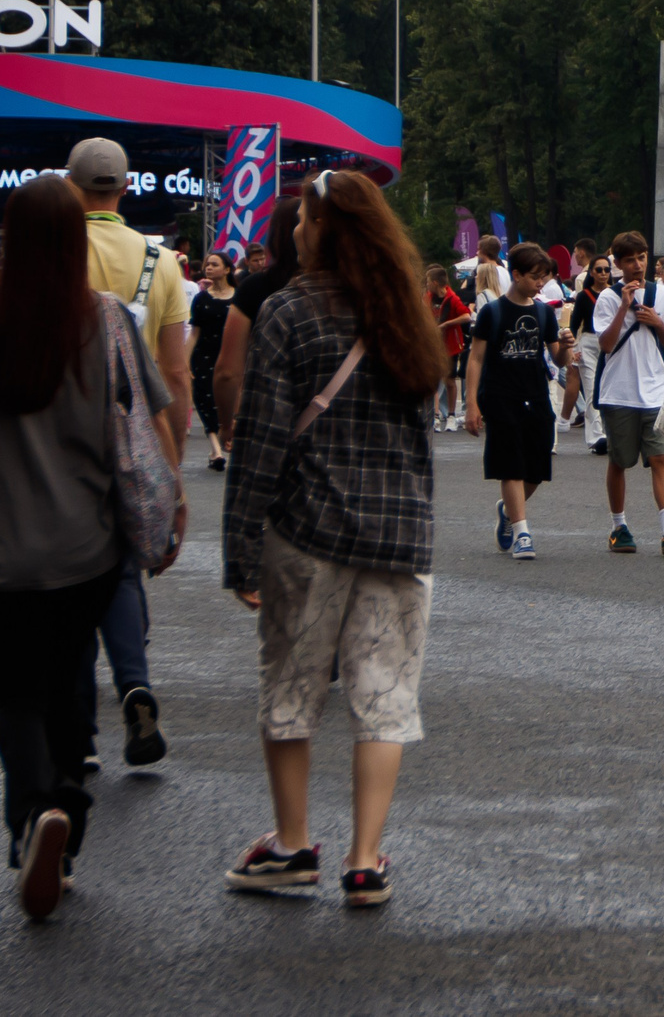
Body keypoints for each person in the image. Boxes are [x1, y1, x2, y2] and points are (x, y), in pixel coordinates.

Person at [0, 174, 177, 920]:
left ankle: (35, 814)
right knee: (66, 684)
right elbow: (147, 416)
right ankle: (65, 812)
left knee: (15, 692)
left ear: (9, 239)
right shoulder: (108, 319)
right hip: (89, 550)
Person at [223, 170, 448, 908]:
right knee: (384, 696)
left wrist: (240, 547)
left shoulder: (288, 309)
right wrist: (420, 527)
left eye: (303, 220)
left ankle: (291, 846)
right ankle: (365, 860)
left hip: (308, 528)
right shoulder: (407, 313)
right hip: (398, 533)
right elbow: (421, 440)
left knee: (289, 687)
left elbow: (259, 440)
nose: (293, 230)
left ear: (323, 229)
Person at [65, 138, 193, 774]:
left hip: (61, 430)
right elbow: (175, 370)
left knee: (63, 574)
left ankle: (78, 727)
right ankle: (135, 682)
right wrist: (174, 470)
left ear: (71, 185)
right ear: (125, 188)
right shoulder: (161, 259)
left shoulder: (52, 247)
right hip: (138, 430)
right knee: (120, 566)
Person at [466, 243, 572, 562]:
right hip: (500, 395)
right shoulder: (492, 311)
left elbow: (558, 359)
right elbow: (476, 358)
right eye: (535, 276)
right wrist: (471, 404)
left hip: (536, 395)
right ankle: (522, 532)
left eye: (544, 277)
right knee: (510, 464)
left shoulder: (542, 312)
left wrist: (566, 346)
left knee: (537, 469)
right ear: (516, 274)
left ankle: (508, 510)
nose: (540, 283)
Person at [592, 231, 664, 557]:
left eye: (642, 257)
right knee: (620, 461)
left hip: (655, 389)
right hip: (619, 391)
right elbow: (605, 345)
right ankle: (618, 526)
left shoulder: (661, 294)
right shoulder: (607, 298)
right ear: (618, 264)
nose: (637, 265)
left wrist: (656, 321)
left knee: (660, 457)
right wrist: (623, 307)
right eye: (630, 260)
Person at [214, 196, 302, 451]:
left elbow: (227, 371)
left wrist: (227, 422)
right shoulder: (346, 288)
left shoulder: (256, 287)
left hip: (268, 418)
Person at [188, 253, 237, 468]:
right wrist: (184, 361)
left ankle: (226, 437)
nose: (209, 267)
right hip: (204, 356)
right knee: (204, 398)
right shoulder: (200, 299)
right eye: (207, 264)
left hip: (231, 355)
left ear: (227, 269)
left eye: (214, 264)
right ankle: (216, 450)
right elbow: (194, 334)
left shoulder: (239, 297)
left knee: (228, 399)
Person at [564, 253, 611, 451]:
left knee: (608, 390)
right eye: (598, 270)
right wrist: (570, 350)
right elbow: (575, 325)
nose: (603, 273)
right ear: (591, 272)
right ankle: (596, 437)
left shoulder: (614, 293)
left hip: (610, 343)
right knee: (592, 390)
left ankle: (609, 433)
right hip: (589, 342)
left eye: (607, 270)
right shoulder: (584, 296)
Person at [424, 265, 472, 432]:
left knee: (449, 380)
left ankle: (451, 415)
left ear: (436, 283)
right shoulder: (428, 297)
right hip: (433, 344)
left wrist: (446, 324)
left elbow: (466, 316)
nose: (427, 284)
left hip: (449, 345)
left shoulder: (452, 298)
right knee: (433, 380)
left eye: (429, 281)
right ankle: (435, 415)